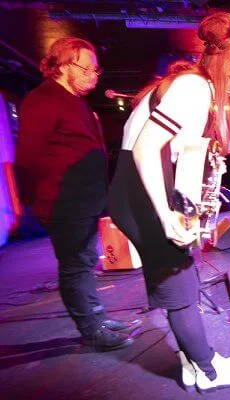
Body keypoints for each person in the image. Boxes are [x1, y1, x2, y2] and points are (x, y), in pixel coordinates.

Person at [107, 12, 230, 393]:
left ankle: (194, 364)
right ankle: (210, 373)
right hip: (143, 192)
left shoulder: (191, 87)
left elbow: (174, 153)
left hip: (139, 188)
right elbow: (146, 150)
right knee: (179, 287)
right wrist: (165, 217)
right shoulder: (195, 88)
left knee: (183, 279)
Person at [15, 37, 139, 352]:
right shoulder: (43, 100)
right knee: (75, 266)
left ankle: (95, 318)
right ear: (65, 65)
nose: (94, 77)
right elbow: (28, 157)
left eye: (96, 71)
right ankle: (90, 328)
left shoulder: (75, 101)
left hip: (85, 202)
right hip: (62, 203)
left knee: (84, 263)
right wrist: (31, 202)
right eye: (88, 69)